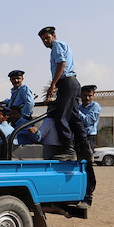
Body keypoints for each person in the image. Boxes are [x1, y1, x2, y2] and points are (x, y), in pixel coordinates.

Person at [38, 26, 87, 160]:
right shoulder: (59, 46)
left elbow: (61, 64)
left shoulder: (57, 45)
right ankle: (84, 149)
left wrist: (53, 84)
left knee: (61, 117)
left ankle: (69, 150)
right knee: (74, 118)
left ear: (54, 36)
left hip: (66, 83)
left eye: (47, 38)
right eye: (43, 40)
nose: (46, 42)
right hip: (71, 84)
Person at [79, 85, 102, 151]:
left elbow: (88, 121)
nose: (87, 98)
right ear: (81, 95)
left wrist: (77, 112)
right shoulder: (79, 106)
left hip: (89, 137)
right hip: (79, 136)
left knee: (87, 159)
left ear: (93, 96)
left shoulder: (95, 106)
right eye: (84, 95)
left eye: (90, 96)